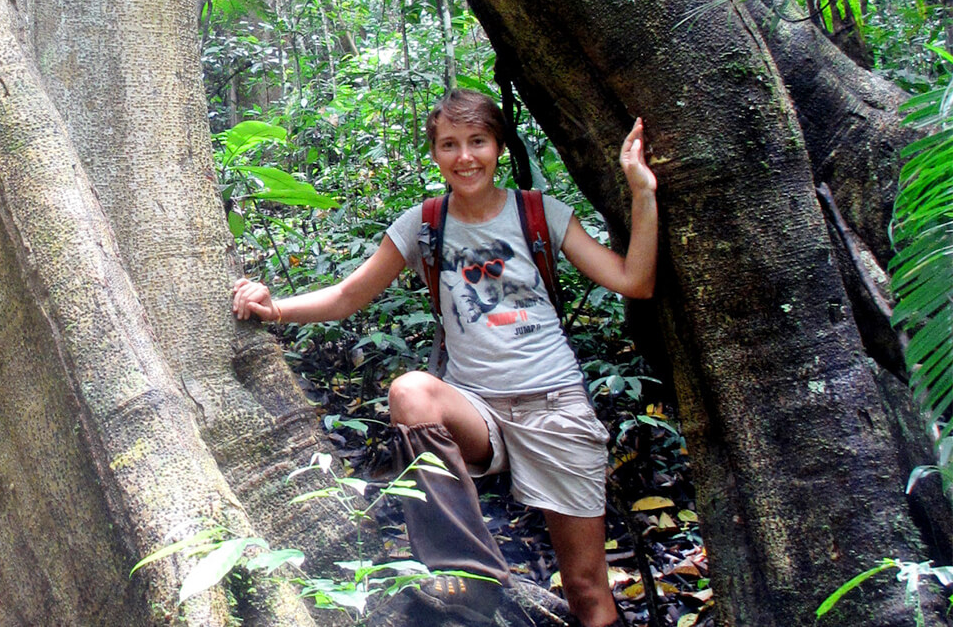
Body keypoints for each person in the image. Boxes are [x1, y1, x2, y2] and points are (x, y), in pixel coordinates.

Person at [231, 89, 657, 627]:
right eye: (450, 144)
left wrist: (642, 192)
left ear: (498, 146)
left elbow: (633, 281)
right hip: (475, 407)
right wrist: (275, 310)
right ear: (435, 154)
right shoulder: (425, 224)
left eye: (477, 141)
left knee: (586, 589)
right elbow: (347, 296)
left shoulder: (537, 213)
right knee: (411, 390)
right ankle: (470, 573)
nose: (465, 157)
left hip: (554, 405)